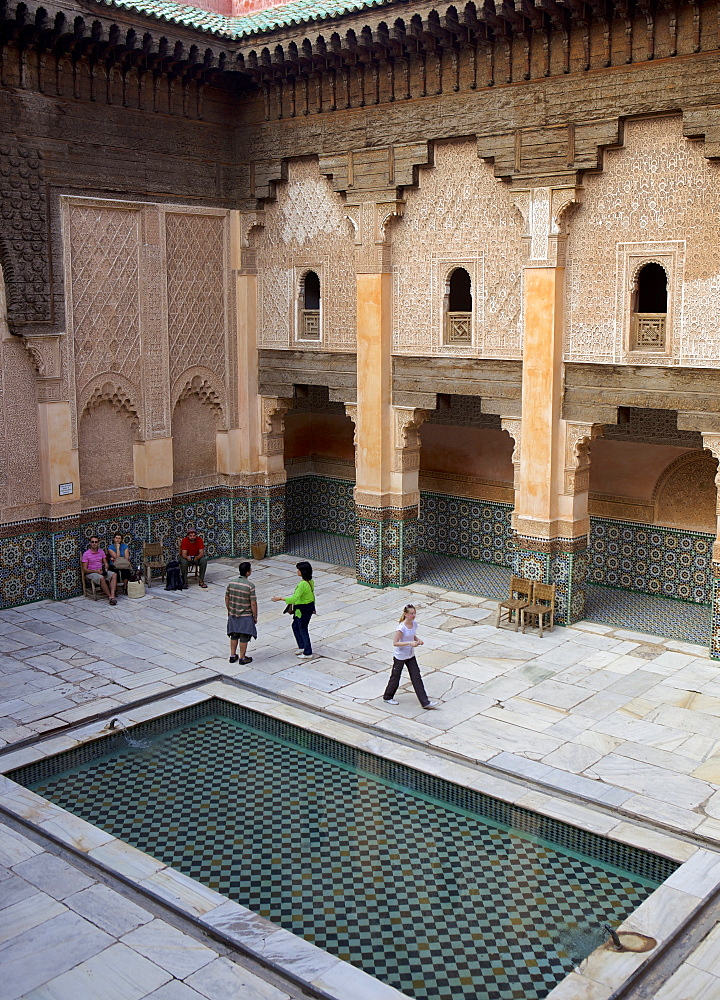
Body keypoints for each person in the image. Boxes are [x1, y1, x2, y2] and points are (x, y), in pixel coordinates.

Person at [383, 604, 437, 709]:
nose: (413, 615)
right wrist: (409, 643)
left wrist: (417, 640)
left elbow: (412, 635)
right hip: (400, 656)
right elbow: (395, 643)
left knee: (416, 677)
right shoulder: (401, 628)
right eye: (411, 614)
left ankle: (425, 702)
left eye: (414, 613)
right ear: (405, 614)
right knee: (395, 677)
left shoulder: (414, 624)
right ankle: (388, 696)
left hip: (410, 655)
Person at [272, 561, 316, 658]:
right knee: (295, 626)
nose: (297, 571)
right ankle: (302, 646)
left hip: (303, 610)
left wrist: (280, 598)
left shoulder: (302, 585)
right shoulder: (310, 581)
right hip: (305, 608)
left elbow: (294, 598)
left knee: (303, 629)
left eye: (299, 570)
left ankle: (308, 652)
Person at [225, 561, 257, 665]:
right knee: (244, 636)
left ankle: (232, 655)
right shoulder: (250, 586)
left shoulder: (231, 583)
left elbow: (227, 597)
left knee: (234, 635)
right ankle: (243, 657)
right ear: (248, 572)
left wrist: (229, 610)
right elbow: (253, 603)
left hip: (233, 614)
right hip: (245, 615)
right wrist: (255, 616)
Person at [81, 536, 118, 605]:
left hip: (101, 570)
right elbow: (85, 569)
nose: (94, 543)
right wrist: (96, 571)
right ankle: (110, 597)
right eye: (92, 542)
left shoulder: (101, 551)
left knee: (114, 575)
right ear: (90, 543)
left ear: (98, 543)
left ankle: (112, 595)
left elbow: (105, 562)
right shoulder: (86, 554)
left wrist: (106, 567)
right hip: (91, 572)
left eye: (96, 542)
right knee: (101, 578)